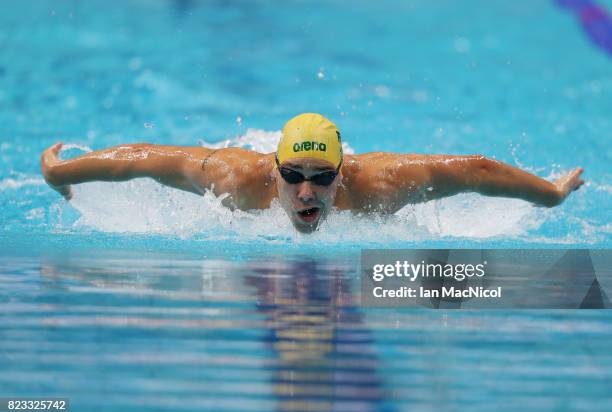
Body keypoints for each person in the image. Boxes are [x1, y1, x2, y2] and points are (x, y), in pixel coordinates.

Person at [41, 113, 584, 233]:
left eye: (322, 177)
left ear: (342, 173)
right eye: (294, 174)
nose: (306, 189)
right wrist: (60, 173)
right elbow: (141, 157)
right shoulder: (233, 179)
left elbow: (475, 170)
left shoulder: (381, 185)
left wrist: (552, 197)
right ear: (273, 169)